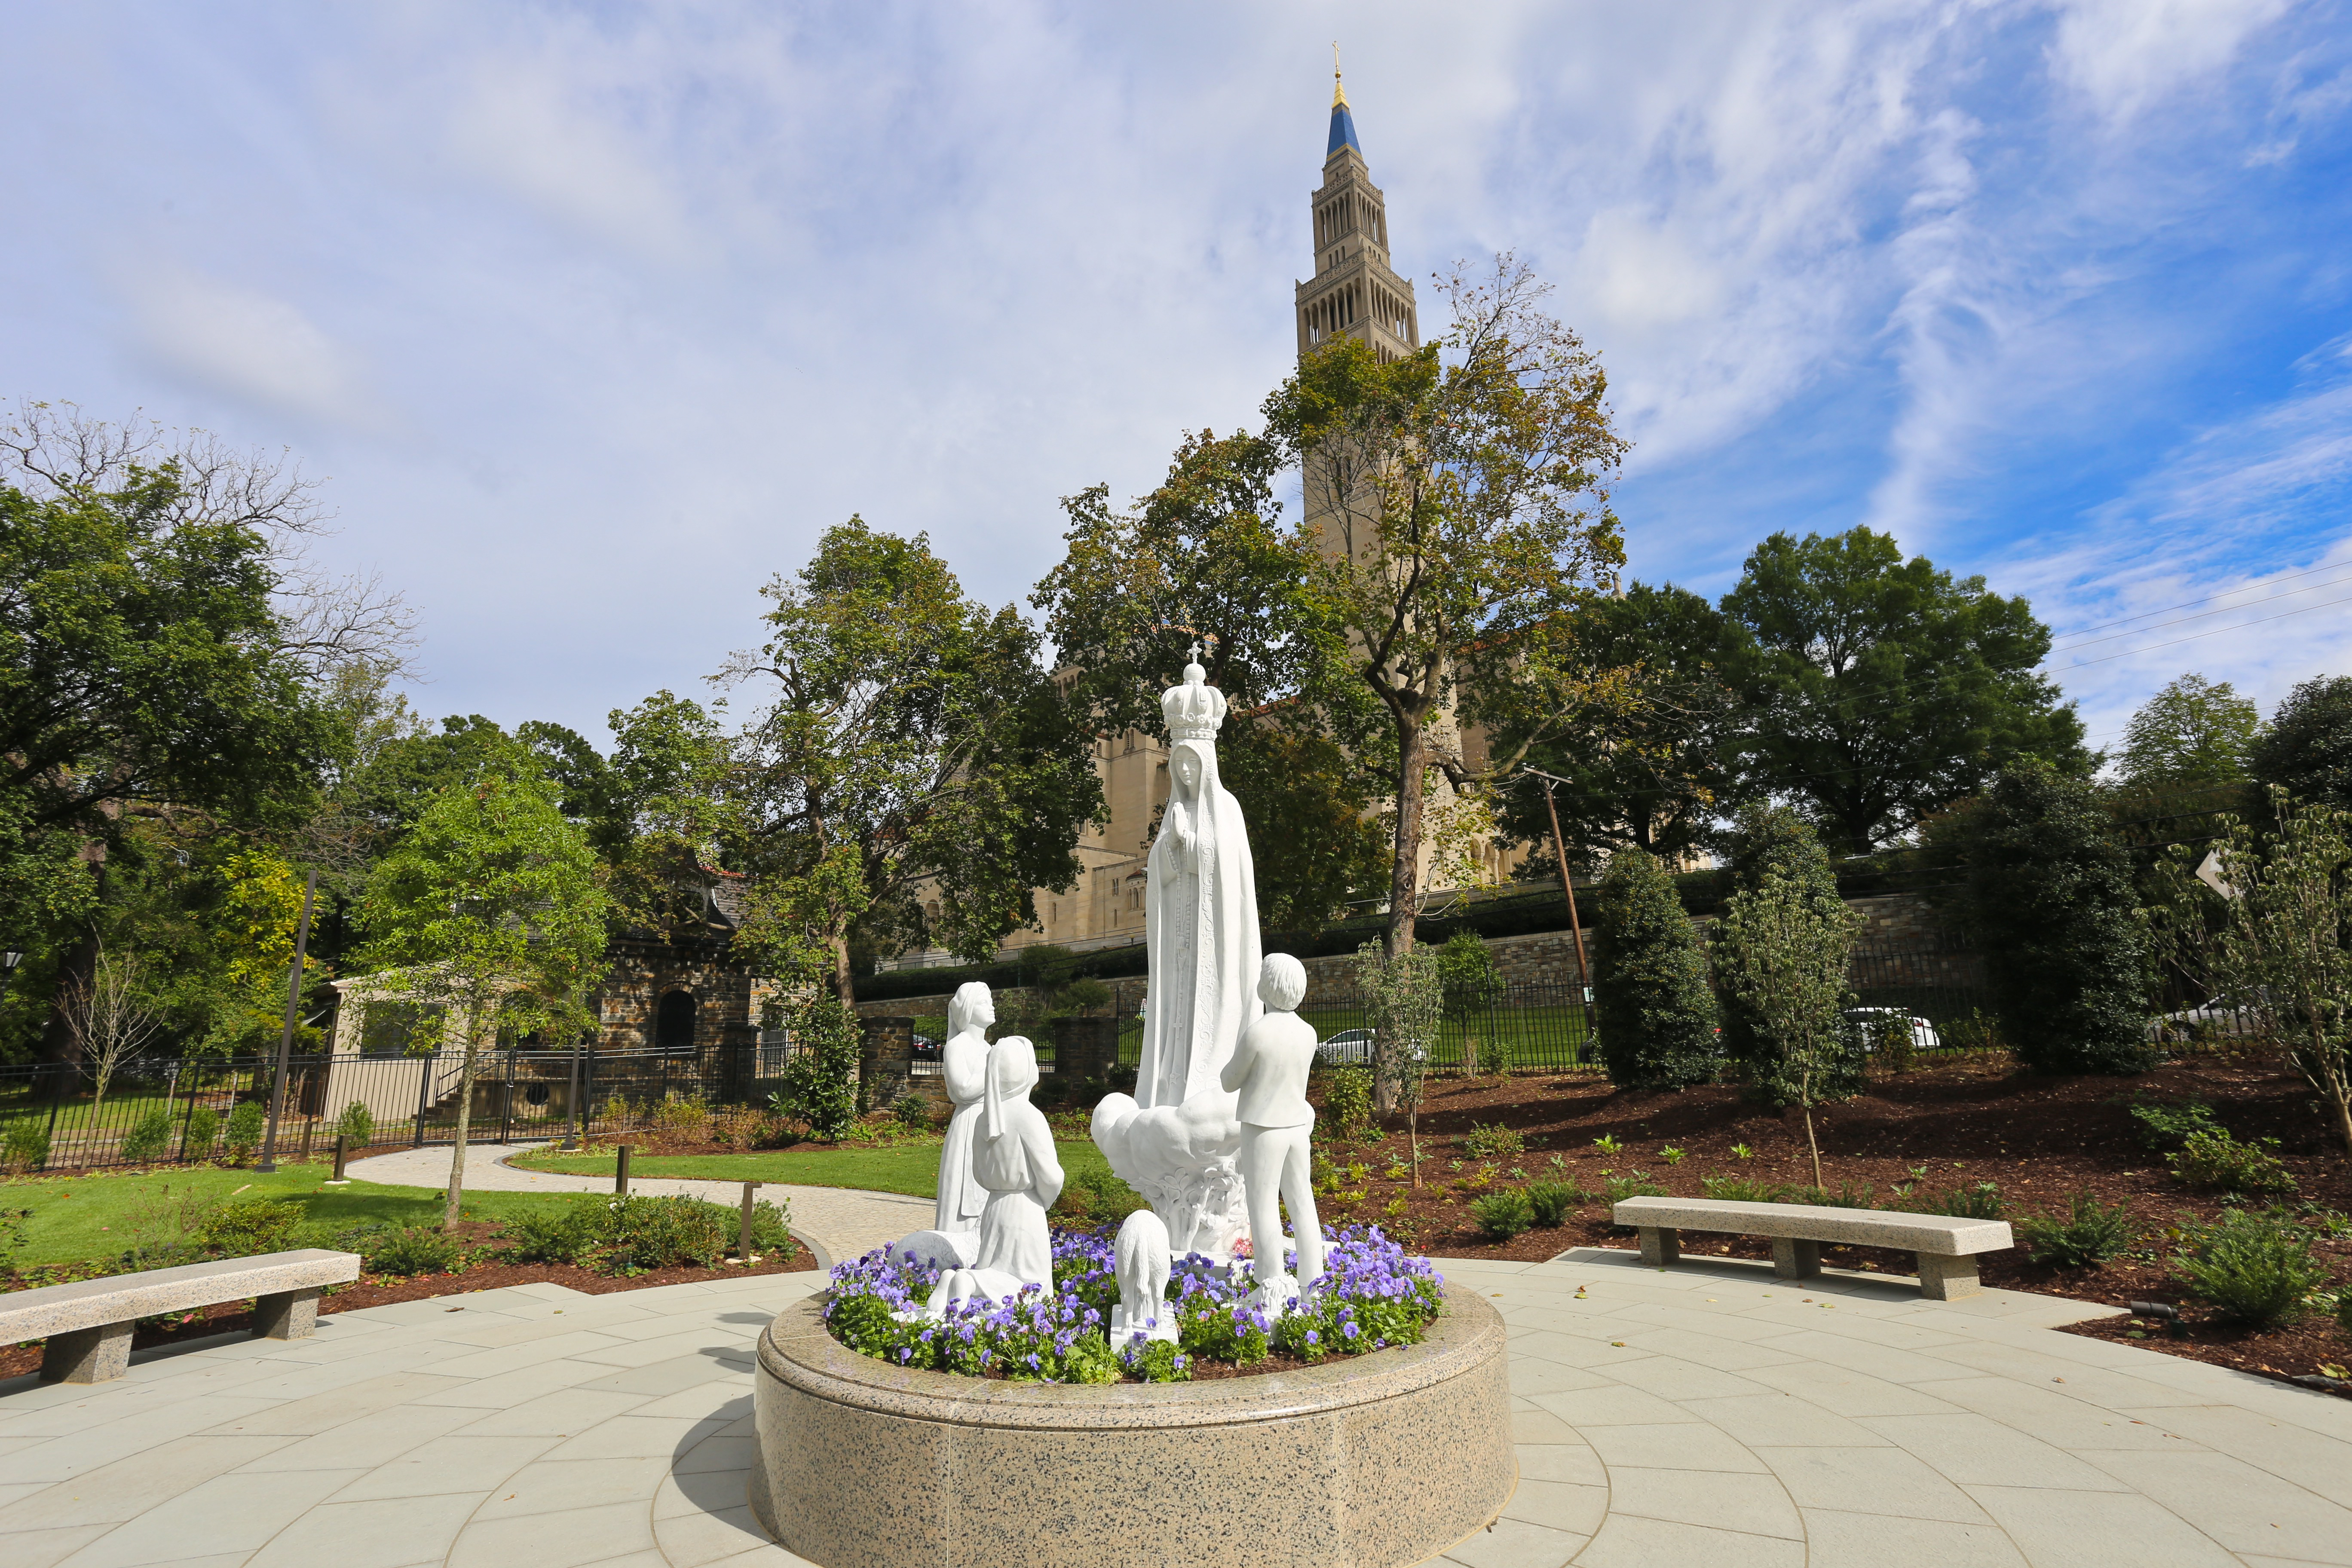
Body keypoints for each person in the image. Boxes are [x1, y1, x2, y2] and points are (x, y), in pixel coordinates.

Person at [1219, 953, 1324, 1307]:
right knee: (1302, 1203)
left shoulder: (1259, 1033)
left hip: (1264, 1128)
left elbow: (1229, 1081)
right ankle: (1315, 1283)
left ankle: (1271, 1284)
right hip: (1297, 1127)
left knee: (1264, 1206)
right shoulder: (1308, 1033)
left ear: (1267, 986)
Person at [968, 1036, 1062, 1289]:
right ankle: (972, 1282)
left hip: (994, 1208)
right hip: (1025, 1209)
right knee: (1029, 1288)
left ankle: (971, 1282)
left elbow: (978, 1173)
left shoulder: (983, 1120)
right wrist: (1043, 1201)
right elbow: (1051, 1177)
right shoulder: (1029, 1116)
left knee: (996, 1271)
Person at [934, 982, 993, 1234]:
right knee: (965, 1187)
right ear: (968, 1010)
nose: (992, 1007)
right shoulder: (956, 1047)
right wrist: (996, 1068)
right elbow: (963, 1090)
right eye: (984, 1002)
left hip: (990, 1123)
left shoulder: (990, 1049)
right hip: (969, 1124)